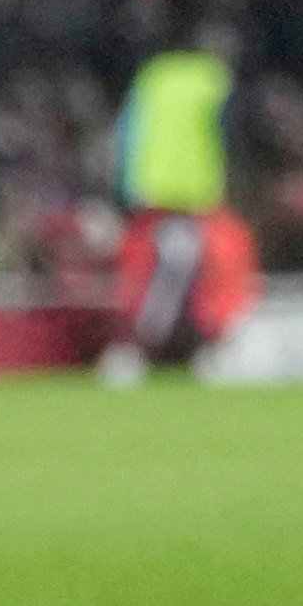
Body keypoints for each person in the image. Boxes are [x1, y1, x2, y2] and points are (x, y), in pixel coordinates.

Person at [99, 26, 257, 386]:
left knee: (157, 271)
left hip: (151, 193)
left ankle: (165, 350)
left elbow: (126, 134)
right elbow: (230, 135)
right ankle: (144, 351)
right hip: (193, 196)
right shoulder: (213, 80)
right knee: (203, 268)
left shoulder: (152, 77)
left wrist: (122, 190)